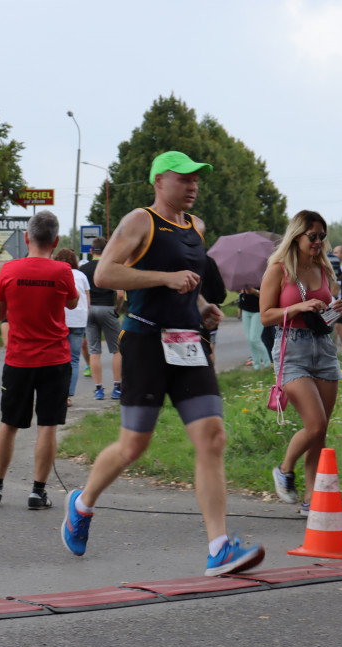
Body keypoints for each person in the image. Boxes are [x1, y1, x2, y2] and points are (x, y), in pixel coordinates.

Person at [60, 151, 264, 576]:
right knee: (134, 446)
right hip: (145, 340)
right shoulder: (140, 220)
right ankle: (82, 505)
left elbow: (186, 286)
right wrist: (165, 279)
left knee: (213, 437)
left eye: (196, 180)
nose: (192, 186)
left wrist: (204, 305)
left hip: (188, 341)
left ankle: (219, 547)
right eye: (183, 178)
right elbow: (105, 275)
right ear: (158, 181)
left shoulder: (195, 228)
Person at [0, 210, 78, 509]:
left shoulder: (8, 271)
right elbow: (71, 302)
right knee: (47, 426)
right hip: (55, 360)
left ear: (26, 237)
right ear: (56, 240)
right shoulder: (63, 272)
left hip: (19, 360)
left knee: (8, 423)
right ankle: (37, 492)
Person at [260, 210, 342, 515]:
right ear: (296, 236)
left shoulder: (323, 268)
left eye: (323, 236)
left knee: (320, 432)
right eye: (313, 236)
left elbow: (323, 313)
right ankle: (284, 471)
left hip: (323, 348)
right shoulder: (278, 270)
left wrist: (336, 309)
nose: (319, 241)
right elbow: (266, 315)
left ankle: (311, 499)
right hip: (292, 350)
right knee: (315, 423)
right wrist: (299, 306)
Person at [79, 237, 123, 400]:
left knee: (94, 351)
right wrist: (116, 309)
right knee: (117, 350)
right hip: (106, 308)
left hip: (89, 311)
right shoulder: (110, 268)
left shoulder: (83, 269)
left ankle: (98, 390)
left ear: (91, 252)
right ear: (107, 251)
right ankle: (117, 388)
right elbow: (119, 294)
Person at [54, 248, 90, 407]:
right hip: (79, 320)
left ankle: (57, 393)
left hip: (60, 320)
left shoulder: (56, 273)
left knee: (57, 359)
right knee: (73, 360)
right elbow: (87, 301)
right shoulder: (82, 276)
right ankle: (68, 396)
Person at [238, 285, 271, 369]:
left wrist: (254, 292)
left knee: (254, 339)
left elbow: (267, 296)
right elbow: (239, 293)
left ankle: (267, 364)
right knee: (250, 340)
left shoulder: (260, 278)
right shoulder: (243, 279)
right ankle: (256, 366)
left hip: (258, 311)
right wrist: (240, 290)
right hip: (245, 309)